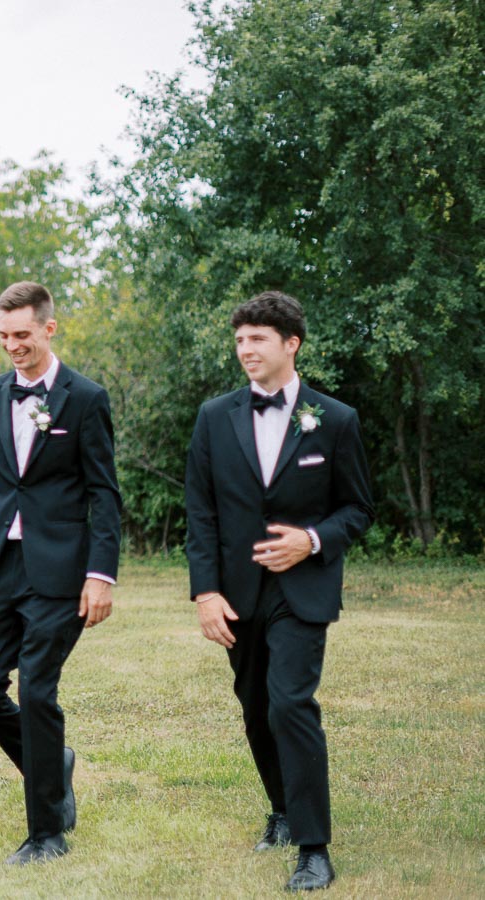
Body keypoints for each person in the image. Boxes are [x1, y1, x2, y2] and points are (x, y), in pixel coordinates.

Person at [0, 281, 122, 865]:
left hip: (60, 569)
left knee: (38, 690)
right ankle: (52, 761)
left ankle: (46, 834)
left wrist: (101, 574)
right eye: (4, 336)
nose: (11, 346)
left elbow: (104, 495)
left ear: (49, 328)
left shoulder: (86, 397)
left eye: (22, 335)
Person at [185, 291, 373, 892]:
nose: (246, 350)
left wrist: (312, 540)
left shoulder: (335, 419)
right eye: (240, 339)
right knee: (255, 708)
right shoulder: (214, 416)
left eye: (258, 339)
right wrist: (205, 593)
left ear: (291, 344)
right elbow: (201, 514)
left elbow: (358, 509)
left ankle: (314, 849)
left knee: (291, 703)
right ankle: (283, 811)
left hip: (303, 590)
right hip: (237, 592)